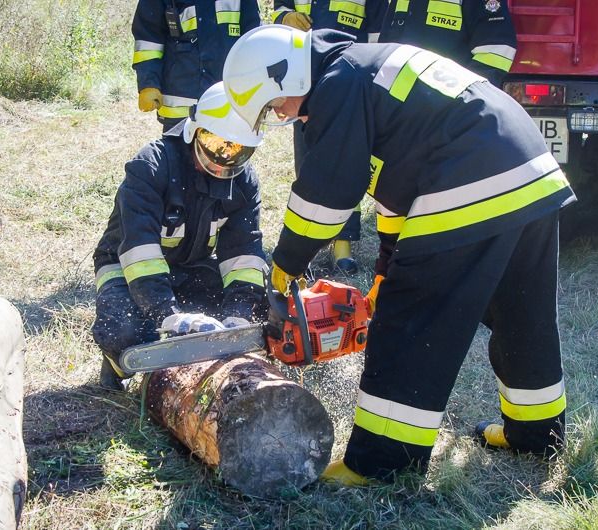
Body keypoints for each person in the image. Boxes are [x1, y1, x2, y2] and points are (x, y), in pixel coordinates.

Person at [221, 26, 575, 485]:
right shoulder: (363, 71)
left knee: (410, 322)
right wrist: (388, 266)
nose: (285, 117)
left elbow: (326, 192)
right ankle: (536, 433)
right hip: (528, 171)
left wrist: (286, 262)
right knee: (521, 312)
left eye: (274, 106)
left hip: (472, 176)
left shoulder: (338, 85)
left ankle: (381, 463)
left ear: (281, 77)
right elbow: (398, 194)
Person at [92, 82, 268, 390]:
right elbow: (139, 253)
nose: (222, 158)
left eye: (236, 150)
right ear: (195, 130)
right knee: (127, 330)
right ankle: (116, 366)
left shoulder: (244, 183)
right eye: (215, 144)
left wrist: (239, 317)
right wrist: (168, 315)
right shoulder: (151, 166)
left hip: (192, 266)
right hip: (125, 267)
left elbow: (244, 255)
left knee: (254, 312)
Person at [273, 0, 387, 273]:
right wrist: (285, 17)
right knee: (309, 164)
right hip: (300, 79)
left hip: (346, 79)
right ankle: (307, 242)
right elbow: (280, 7)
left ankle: (342, 243)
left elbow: (376, 30)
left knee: (347, 164)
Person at [131, 0, 260, 132]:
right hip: (181, 112)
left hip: (228, 107)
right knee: (178, 152)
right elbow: (148, 40)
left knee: (229, 151)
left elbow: (254, 40)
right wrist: (148, 84)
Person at [378, 0, 516, 86]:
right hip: (403, 105)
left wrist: (469, 96)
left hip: (451, 111)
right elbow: (386, 46)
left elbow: (497, 50)